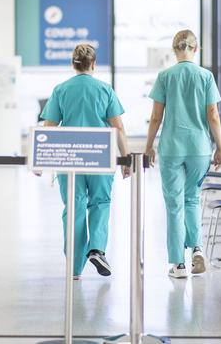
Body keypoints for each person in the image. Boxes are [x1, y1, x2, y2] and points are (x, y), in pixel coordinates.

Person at [40, 44, 130, 280]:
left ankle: (74, 268)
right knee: (100, 202)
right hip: (100, 156)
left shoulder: (61, 90)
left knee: (74, 208)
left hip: (69, 158)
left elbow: (49, 127)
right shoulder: (104, 89)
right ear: (94, 64)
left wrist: (39, 162)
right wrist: (126, 158)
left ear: (73, 64)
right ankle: (97, 249)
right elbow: (117, 126)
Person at [144, 30, 221, 279]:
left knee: (174, 204)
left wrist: (149, 146)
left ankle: (178, 264)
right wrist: (220, 148)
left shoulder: (165, 76)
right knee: (192, 199)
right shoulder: (206, 76)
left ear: (174, 49)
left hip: (172, 149)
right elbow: (213, 114)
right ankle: (197, 249)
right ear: (195, 49)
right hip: (200, 148)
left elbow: (156, 116)